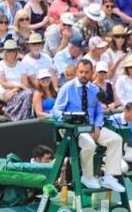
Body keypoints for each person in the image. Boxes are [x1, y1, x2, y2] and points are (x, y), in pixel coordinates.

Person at [52, 57, 123, 192]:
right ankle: (87, 176)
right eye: (81, 72)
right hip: (73, 129)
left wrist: (97, 126)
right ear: (77, 72)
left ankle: (109, 177)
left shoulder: (95, 89)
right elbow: (55, 110)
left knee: (116, 140)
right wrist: (67, 117)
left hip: (91, 127)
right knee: (89, 144)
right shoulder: (67, 88)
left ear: (92, 73)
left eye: (86, 72)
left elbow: (99, 112)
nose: (83, 75)